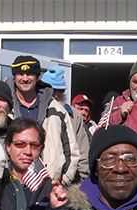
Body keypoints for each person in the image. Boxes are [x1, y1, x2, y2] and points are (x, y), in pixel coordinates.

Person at [8, 55, 88, 186]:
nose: (25, 78)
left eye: (29, 74)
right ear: (14, 76)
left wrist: (65, 180)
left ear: (37, 77)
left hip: (49, 185)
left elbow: (72, 150)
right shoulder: (5, 105)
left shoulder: (56, 109)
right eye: (20, 74)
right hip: (11, 185)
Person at [2, 116, 68, 210]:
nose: (27, 151)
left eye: (34, 145)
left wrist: (58, 209)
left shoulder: (52, 190)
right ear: (8, 147)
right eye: (20, 144)